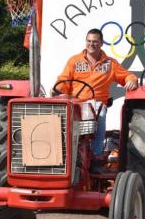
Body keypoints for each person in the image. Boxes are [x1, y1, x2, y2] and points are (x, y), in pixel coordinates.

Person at [54, 28, 138, 173]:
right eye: (89, 41)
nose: (91, 44)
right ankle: (60, 156)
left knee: (100, 115)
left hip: (97, 103)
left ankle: (96, 157)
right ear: (85, 42)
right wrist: (59, 91)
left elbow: (126, 76)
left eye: (95, 42)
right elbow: (63, 80)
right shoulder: (74, 61)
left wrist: (131, 80)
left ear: (101, 43)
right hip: (77, 102)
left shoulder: (110, 64)